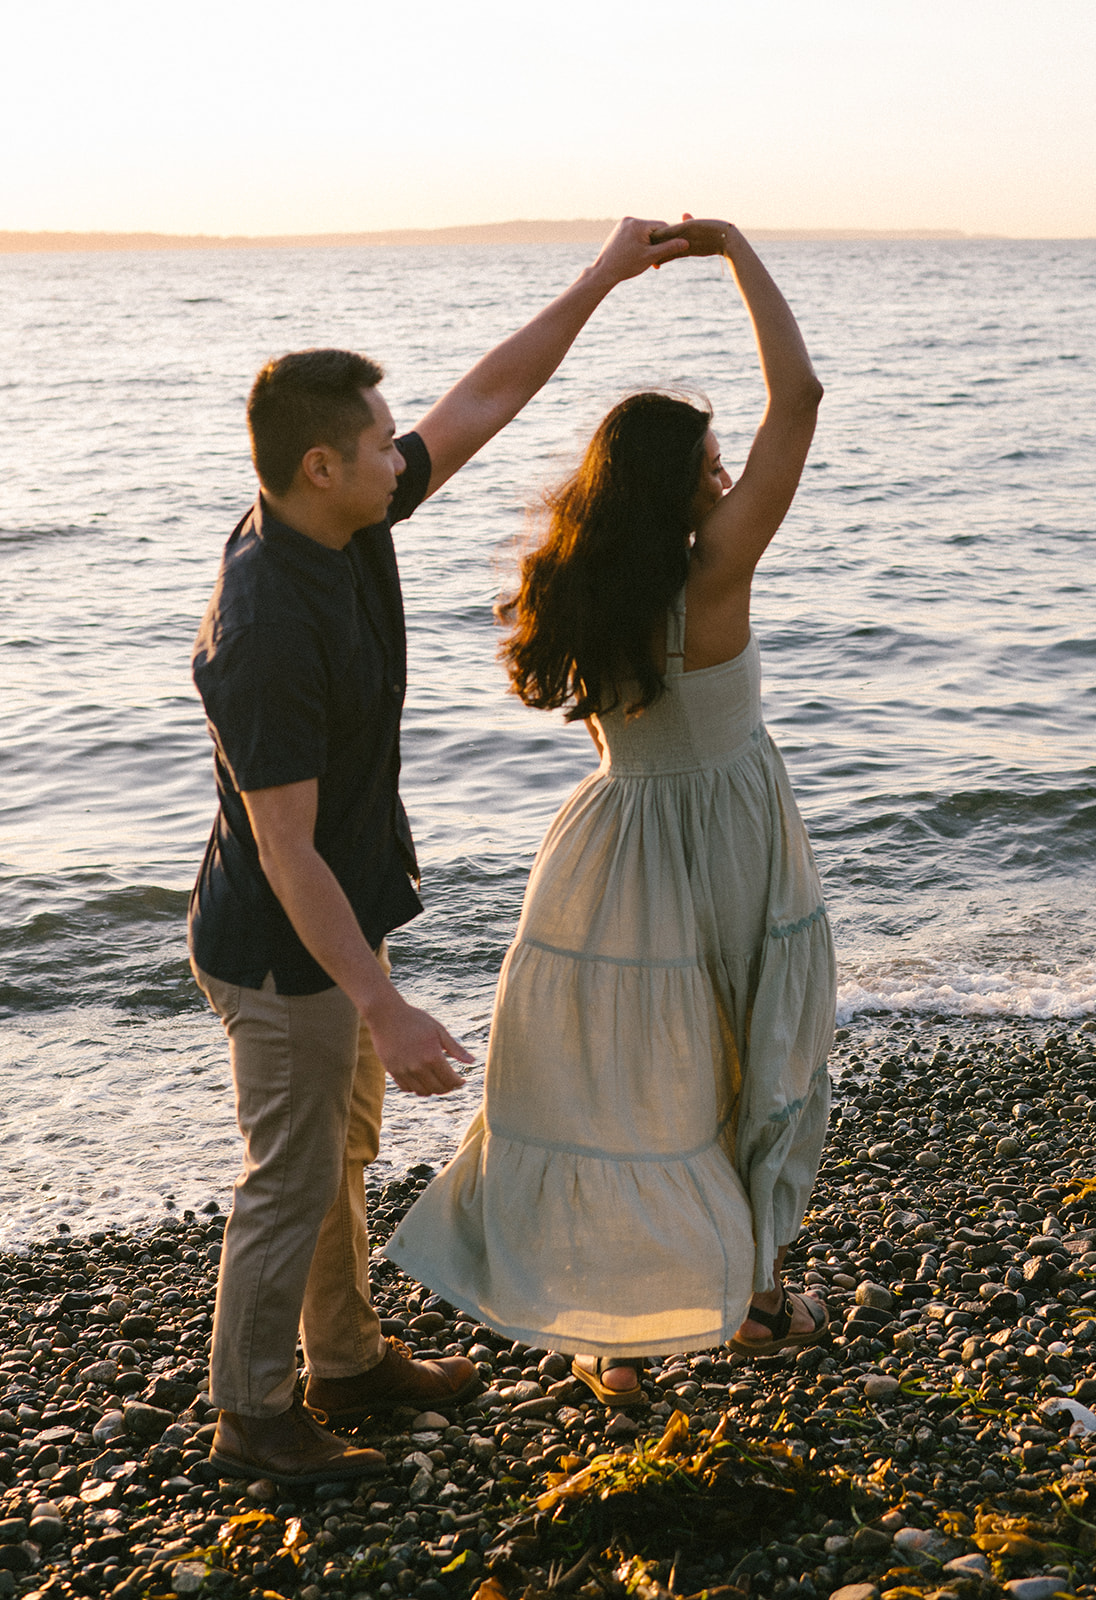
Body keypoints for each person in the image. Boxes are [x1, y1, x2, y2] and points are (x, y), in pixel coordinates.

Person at [188, 218, 693, 1484]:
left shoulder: (340, 522)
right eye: (377, 442)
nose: (399, 451)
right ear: (319, 465)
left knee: (336, 1152)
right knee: (290, 1173)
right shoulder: (266, 625)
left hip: (336, 919)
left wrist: (603, 274)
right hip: (282, 942)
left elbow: (485, 397)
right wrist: (385, 1002)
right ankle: (253, 1416)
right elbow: (284, 846)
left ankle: (347, 1361)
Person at [386, 217, 837, 1405]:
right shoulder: (714, 571)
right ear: (679, 484)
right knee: (749, 1060)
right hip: (728, 835)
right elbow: (801, 395)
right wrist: (736, 249)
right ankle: (738, 1292)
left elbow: (778, 417)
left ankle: (614, 1332)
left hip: (610, 844)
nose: (728, 473)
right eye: (709, 462)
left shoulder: (584, 580)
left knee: (629, 1084)